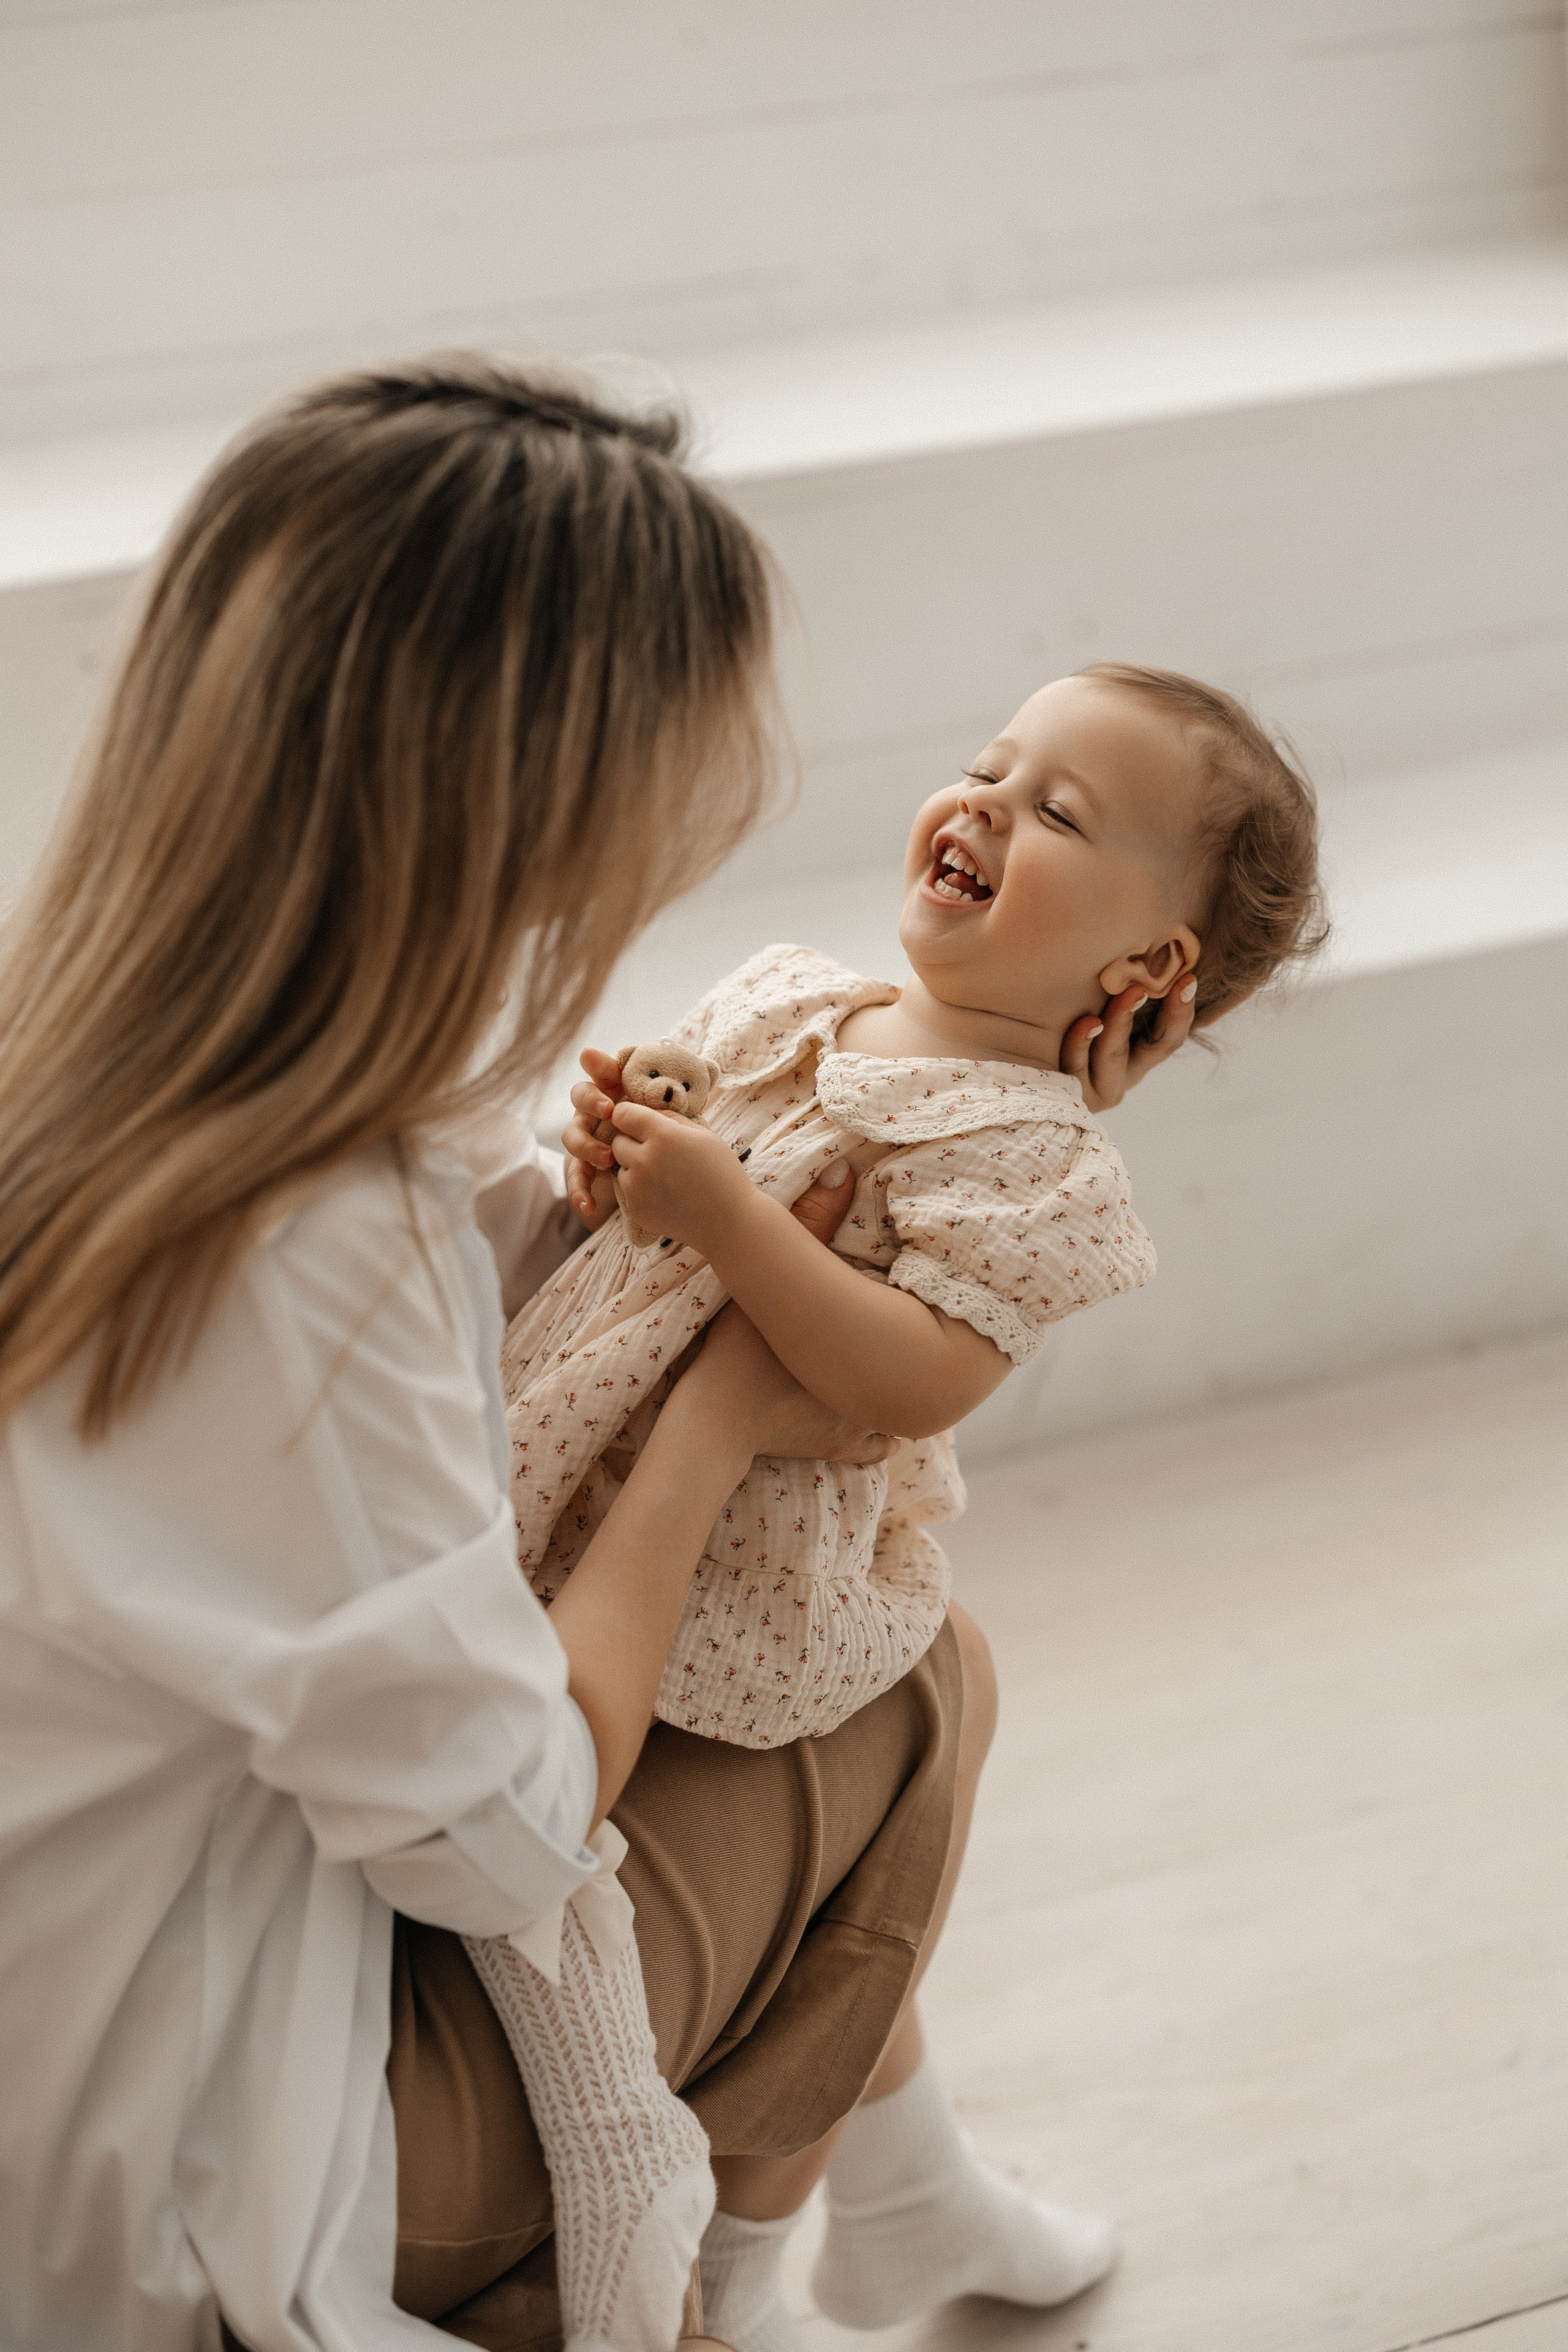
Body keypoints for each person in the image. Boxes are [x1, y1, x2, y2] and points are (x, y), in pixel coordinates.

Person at [0, 360, 1197, 2352]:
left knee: (852, 1669)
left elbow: (412, 1394)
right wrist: (720, 1413)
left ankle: (905, 2194)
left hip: (65, 2002)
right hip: (199, 2159)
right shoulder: (312, 1248)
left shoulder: (111, 1084)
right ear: (530, 807)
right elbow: (509, 1828)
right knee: (914, 1687)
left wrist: (993, 1106)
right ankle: (794, 2244)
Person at [466, 665, 1325, 2349]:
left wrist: (716, 1208)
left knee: (831, 1836)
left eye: (1061, 813)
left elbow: (912, 1378)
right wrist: (621, 1149)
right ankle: (909, 2206)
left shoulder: (1035, 1157)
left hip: (734, 1582)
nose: (989, 806)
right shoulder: (793, 995)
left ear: (1147, 974)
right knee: (894, 1814)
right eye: (990, 767)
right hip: (577, 1460)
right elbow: (640, 1207)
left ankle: (750, 2259)